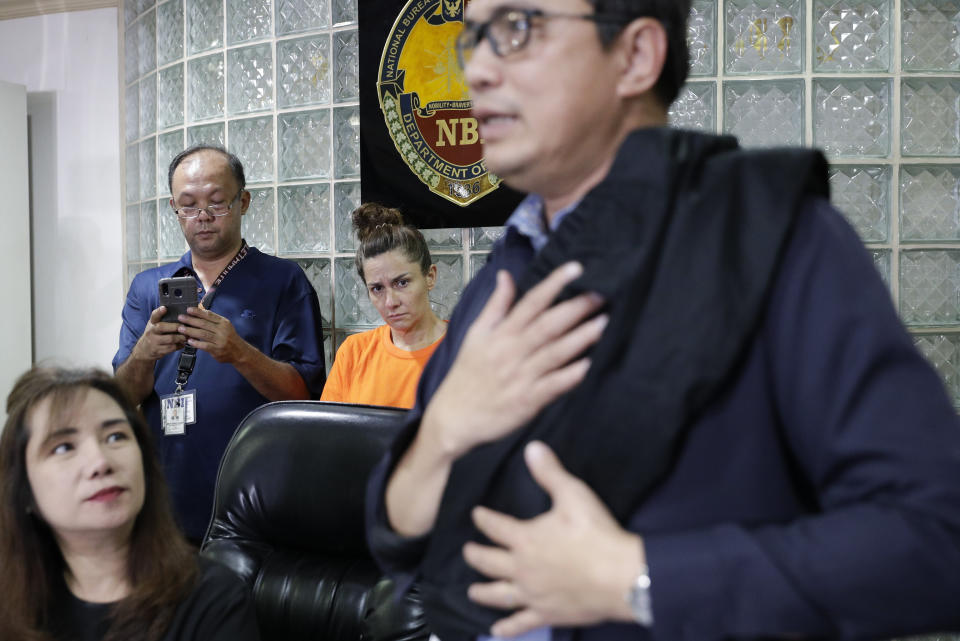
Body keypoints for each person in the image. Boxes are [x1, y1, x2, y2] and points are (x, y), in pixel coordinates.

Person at [365, 2, 960, 641]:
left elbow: (936, 538)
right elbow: (398, 533)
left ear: (636, 56)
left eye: (517, 30)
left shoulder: (770, 235)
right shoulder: (505, 274)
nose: (476, 70)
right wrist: (443, 433)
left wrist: (638, 578)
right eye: (473, 39)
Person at [113, 145, 326, 543]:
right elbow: (121, 397)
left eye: (217, 202)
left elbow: (304, 395)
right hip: (169, 496)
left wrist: (239, 353)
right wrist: (144, 355)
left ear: (242, 202)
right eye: (188, 206)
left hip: (258, 494)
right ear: (174, 208)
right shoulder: (147, 289)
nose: (203, 217)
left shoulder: (283, 281)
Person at [0, 366, 260, 641]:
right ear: (23, 489)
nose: (100, 462)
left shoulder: (213, 598)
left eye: (115, 437)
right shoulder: (11, 602)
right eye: (64, 447)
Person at [321, 203, 447, 408]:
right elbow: (329, 436)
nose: (391, 302)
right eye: (377, 288)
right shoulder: (354, 353)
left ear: (430, 277)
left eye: (402, 283)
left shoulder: (469, 349)